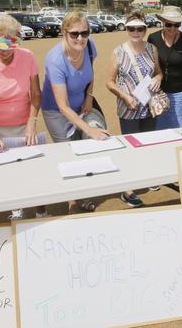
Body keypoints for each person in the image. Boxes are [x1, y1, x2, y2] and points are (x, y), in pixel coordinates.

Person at [0, 14, 43, 219]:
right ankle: (16, 208)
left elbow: (35, 94)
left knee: (31, 169)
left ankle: (40, 209)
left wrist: (32, 122)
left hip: (24, 122)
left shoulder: (28, 56)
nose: (3, 52)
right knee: (6, 171)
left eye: (9, 47)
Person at [41, 11, 110, 213]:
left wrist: (89, 96)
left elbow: (90, 74)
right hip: (56, 111)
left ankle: (84, 193)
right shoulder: (55, 60)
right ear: (64, 33)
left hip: (81, 104)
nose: (80, 38)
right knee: (67, 152)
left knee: (84, 151)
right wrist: (89, 129)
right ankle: (72, 200)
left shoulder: (89, 46)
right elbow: (62, 105)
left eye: (84, 32)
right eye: (74, 34)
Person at [105, 12, 162, 207]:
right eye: (131, 28)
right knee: (130, 147)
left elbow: (158, 72)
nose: (136, 32)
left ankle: (144, 178)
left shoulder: (152, 49)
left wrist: (159, 78)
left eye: (140, 28)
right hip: (128, 108)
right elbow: (109, 83)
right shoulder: (118, 52)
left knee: (146, 144)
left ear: (145, 30)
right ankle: (127, 189)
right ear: (126, 29)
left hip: (149, 107)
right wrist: (125, 96)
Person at [147, 5, 182, 130]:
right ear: (162, 22)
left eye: (176, 25)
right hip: (158, 92)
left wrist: (177, 74)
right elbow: (149, 62)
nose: (172, 28)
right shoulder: (153, 38)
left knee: (180, 127)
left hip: (180, 91)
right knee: (159, 129)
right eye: (168, 24)